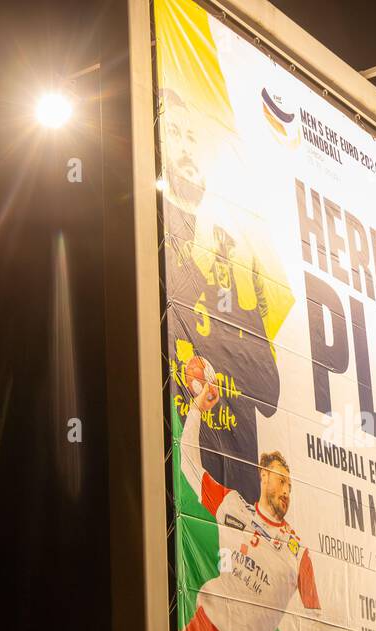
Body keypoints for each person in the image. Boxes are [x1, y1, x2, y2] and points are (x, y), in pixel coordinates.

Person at [178, 355, 323, 631]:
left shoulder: (298, 552)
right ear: (263, 477)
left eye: (291, 487)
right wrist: (196, 410)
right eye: (282, 482)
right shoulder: (235, 507)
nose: (286, 493)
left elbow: (314, 612)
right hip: (205, 629)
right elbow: (191, 466)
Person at [161, 87, 282, 503]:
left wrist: (237, 313)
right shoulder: (156, 248)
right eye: (174, 133)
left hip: (242, 505)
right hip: (184, 499)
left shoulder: (229, 254)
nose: (186, 147)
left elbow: (270, 392)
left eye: (191, 136)